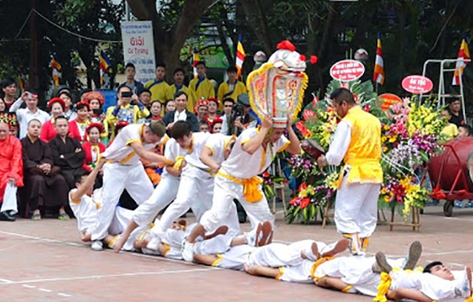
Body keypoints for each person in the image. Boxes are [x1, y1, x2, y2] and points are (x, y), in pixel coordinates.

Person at [182, 114, 301, 262]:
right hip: (228, 179)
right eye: (277, 132)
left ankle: (261, 251)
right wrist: (265, 128)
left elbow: (296, 149)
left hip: (249, 182)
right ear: (267, 129)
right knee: (216, 216)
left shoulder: (277, 140)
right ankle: (188, 242)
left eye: (281, 133)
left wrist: (288, 128)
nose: (279, 136)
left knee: (265, 220)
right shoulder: (249, 134)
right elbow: (250, 148)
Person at [317, 87, 383, 255]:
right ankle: (362, 250)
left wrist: (324, 160)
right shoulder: (373, 120)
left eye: (335, 107)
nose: (336, 111)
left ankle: (356, 253)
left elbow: (336, 155)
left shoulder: (348, 122)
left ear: (344, 104)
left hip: (355, 171)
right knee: (367, 215)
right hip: (375, 172)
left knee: (345, 214)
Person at [90, 120, 171, 242]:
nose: (154, 144)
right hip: (115, 167)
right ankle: (97, 237)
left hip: (134, 166)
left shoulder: (159, 136)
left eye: (156, 141)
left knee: (151, 199)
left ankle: (148, 230)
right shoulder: (131, 131)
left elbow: (172, 143)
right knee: (109, 202)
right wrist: (169, 160)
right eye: (153, 141)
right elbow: (143, 154)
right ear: (146, 131)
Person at [110, 132, 188, 253]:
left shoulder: (200, 145)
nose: (181, 144)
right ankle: (125, 236)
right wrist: (179, 170)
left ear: (189, 136)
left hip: (197, 180)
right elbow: (168, 167)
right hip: (172, 179)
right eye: (178, 140)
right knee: (152, 204)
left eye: (183, 140)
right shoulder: (172, 144)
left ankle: (209, 241)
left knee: (186, 205)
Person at [20, 119, 69, 220]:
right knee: (38, 180)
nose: (36, 129)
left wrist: (47, 165)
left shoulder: (44, 144)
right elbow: (24, 159)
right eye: (33, 127)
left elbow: (49, 157)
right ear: (27, 129)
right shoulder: (22, 143)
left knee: (59, 179)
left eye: (38, 127)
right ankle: (35, 209)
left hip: (44, 171)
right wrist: (37, 166)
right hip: (30, 172)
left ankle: (61, 209)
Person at [49, 116, 85, 190]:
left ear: (68, 126)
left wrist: (64, 157)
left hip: (77, 168)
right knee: (70, 179)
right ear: (55, 127)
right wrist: (74, 155)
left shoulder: (74, 141)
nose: (63, 128)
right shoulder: (52, 143)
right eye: (60, 126)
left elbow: (81, 155)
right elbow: (57, 160)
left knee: (90, 176)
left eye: (65, 125)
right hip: (63, 170)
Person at [0, 122, 23, 221]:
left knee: (11, 181)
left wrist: (13, 174)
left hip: (10, 169)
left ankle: (6, 210)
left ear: (9, 131)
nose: (1, 133)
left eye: (4, 131)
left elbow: (17, 159)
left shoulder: (15, 142)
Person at [81, 122, 106, 188]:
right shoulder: (84, 146)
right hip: (87, 172)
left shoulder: (103, 147)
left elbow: (106, 161)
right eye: (92, 133)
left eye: (96, 133)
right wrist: (90, 169)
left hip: (100, 172)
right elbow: (81, 162)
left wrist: (102, 169)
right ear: (88, 134)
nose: (94, 136)